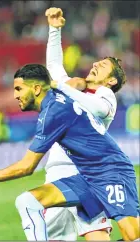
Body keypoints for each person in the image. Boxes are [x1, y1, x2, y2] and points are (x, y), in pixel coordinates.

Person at [0, 64, 139, 241]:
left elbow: (26, 167)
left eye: (19, 89)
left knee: (133, 236)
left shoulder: (53, 112)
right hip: (86, 178)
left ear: (36, 88)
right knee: (27, 202)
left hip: (111, 173)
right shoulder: (55, 104)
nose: (15, 95)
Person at [43, 7, 119, 241]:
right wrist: (54, 29)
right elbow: (54, 68)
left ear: (111, 80)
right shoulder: (76, 90)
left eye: (103, 65)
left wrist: (63, 87)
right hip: (55, 173)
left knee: (95, 234)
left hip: (85, 174)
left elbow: (94, 107)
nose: (96, 63)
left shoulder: (105, 96)